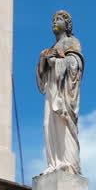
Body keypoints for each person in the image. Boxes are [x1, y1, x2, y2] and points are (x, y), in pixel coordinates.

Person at [37, 10, 84, 176]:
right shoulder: (51, 48)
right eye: (53, 20)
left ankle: (67, 163)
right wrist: (43, 59)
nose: (54, 22)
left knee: (63, 124)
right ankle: (53, 162)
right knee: (48, 124)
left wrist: (55, 61)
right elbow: (41, 75)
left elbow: (75, 63)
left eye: (59, 19)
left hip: (63, 92)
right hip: (51, 90)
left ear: (67, 24)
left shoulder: (72, 42)